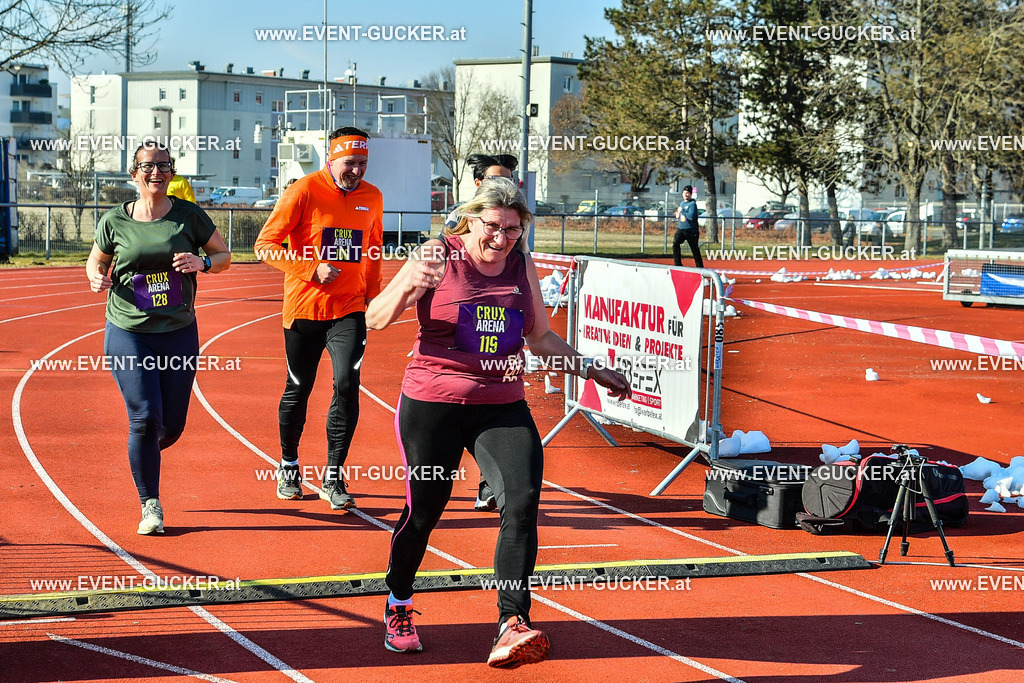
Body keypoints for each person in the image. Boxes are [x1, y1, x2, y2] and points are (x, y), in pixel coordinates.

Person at [366, 178, 631, 668]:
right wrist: (409, 284)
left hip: (502, 400)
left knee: (523, 499)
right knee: (425, 511)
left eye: (512, 230)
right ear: (471, 220)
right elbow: (375, 320)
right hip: (434, 401)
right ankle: (398, 604)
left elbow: (542, 339)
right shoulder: (437, 255)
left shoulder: (519, 263)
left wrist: (592, 369)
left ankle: (513, 622)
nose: (501, 238)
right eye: (493, 227)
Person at [86, 142, 231, 535]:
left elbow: (223, 256)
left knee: (173, 425)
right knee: (145, 417)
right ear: (134, 174)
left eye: (164, 166)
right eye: (148, 166)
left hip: (178, 331)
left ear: (171, 172)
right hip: (128, 330)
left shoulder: (188, 216)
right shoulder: (115, 221)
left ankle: (143, 451)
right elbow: (96, 260)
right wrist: (95, 276)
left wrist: (202, 262)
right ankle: (151, 505)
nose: (157, 172)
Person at [254, 127, 383, 509]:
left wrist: (372, 297)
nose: (356, 171)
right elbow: (264, 245)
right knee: (299, 387)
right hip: (305, 310)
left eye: (362, 163)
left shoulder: (371, 196)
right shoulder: (304, 190)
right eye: (349, 163)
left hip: (349, 309)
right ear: (331, 159)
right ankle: (289, 465)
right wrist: (311, 268)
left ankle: (333, 474)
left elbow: (373, 249)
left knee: (346, 383)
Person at [442, 152, 518, 511]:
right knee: (465, 400)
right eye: (496, 180)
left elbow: (520, 264)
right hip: (467, 319)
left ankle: (489, 483)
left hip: (502, 321)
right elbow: (445, 267)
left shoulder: (516, 220)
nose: (505, 187)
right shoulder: (460, 216)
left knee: (499, 400)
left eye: (509, 180)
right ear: (477, 184)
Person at [673, 184, 704, 268]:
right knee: (675, 243)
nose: (686, 194)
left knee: (694, 250)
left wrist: (682, 211)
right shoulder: (682, 203)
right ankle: (678, 264)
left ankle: (700, 267)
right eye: (684, 193)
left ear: (690, 194)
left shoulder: (692, 204)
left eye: (687, 193)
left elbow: (691, 217)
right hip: (681, 229)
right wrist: (678, 214)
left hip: (691, 231)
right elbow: (682, 215)